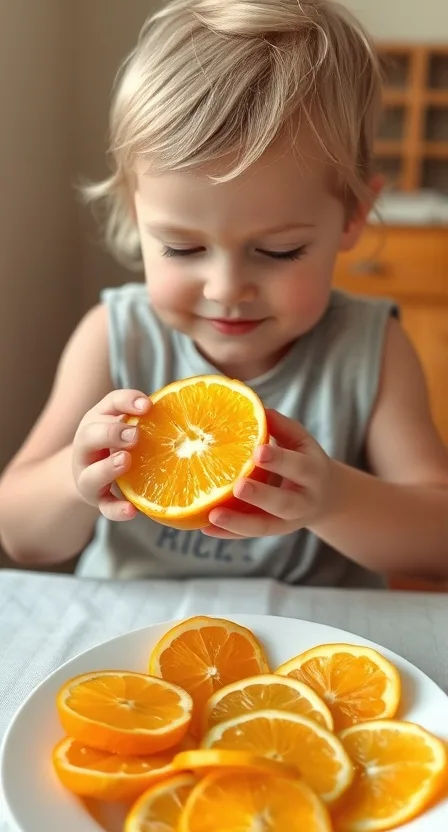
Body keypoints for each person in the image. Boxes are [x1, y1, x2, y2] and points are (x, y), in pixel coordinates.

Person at [0, 0, 447, 586]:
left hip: (307, 657)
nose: (226, 289)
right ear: (137, 218)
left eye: (279, 250)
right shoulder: (115, 335)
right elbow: (21, 538)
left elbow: (437, 547)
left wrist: (334, 498)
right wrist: (74, 477)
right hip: (140, 652)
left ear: (352, 218)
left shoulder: (371, 349)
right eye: (183, 249)